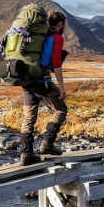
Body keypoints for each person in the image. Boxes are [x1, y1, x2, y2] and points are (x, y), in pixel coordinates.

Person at [19, 11, 68, 165]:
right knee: (61, 110)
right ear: (60, 24)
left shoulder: (38, 36)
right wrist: (62, 88)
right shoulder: (56, 38)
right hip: (42, 81)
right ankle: (47, 145)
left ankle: (25, 155)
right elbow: (56, 64)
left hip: (26, 80)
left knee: (29, 118)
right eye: (63, 24)